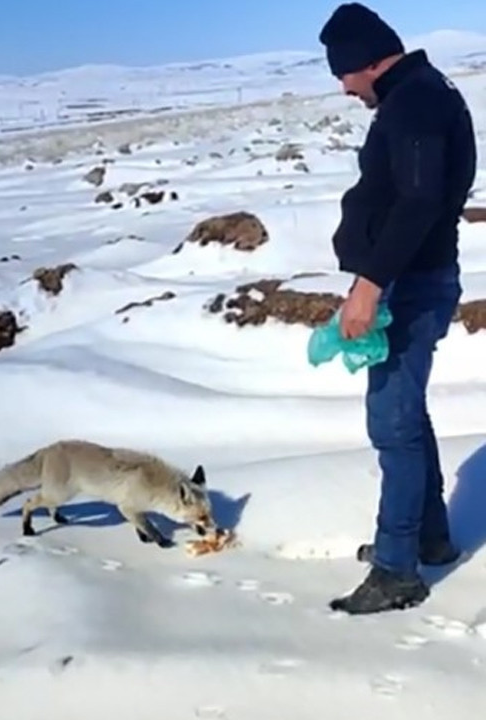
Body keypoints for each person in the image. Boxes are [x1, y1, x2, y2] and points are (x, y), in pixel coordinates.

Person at [318, 3, 477, 614]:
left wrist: (370, 285)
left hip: (410, 285)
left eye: (345, 73)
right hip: (407, 280)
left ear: (368, 59)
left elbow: (417, 203)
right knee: (406, 416)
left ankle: (396, 571)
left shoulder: (414, 102)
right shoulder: (417, 94)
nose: (344, 86)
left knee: (391, 423)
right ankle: (426, 536)